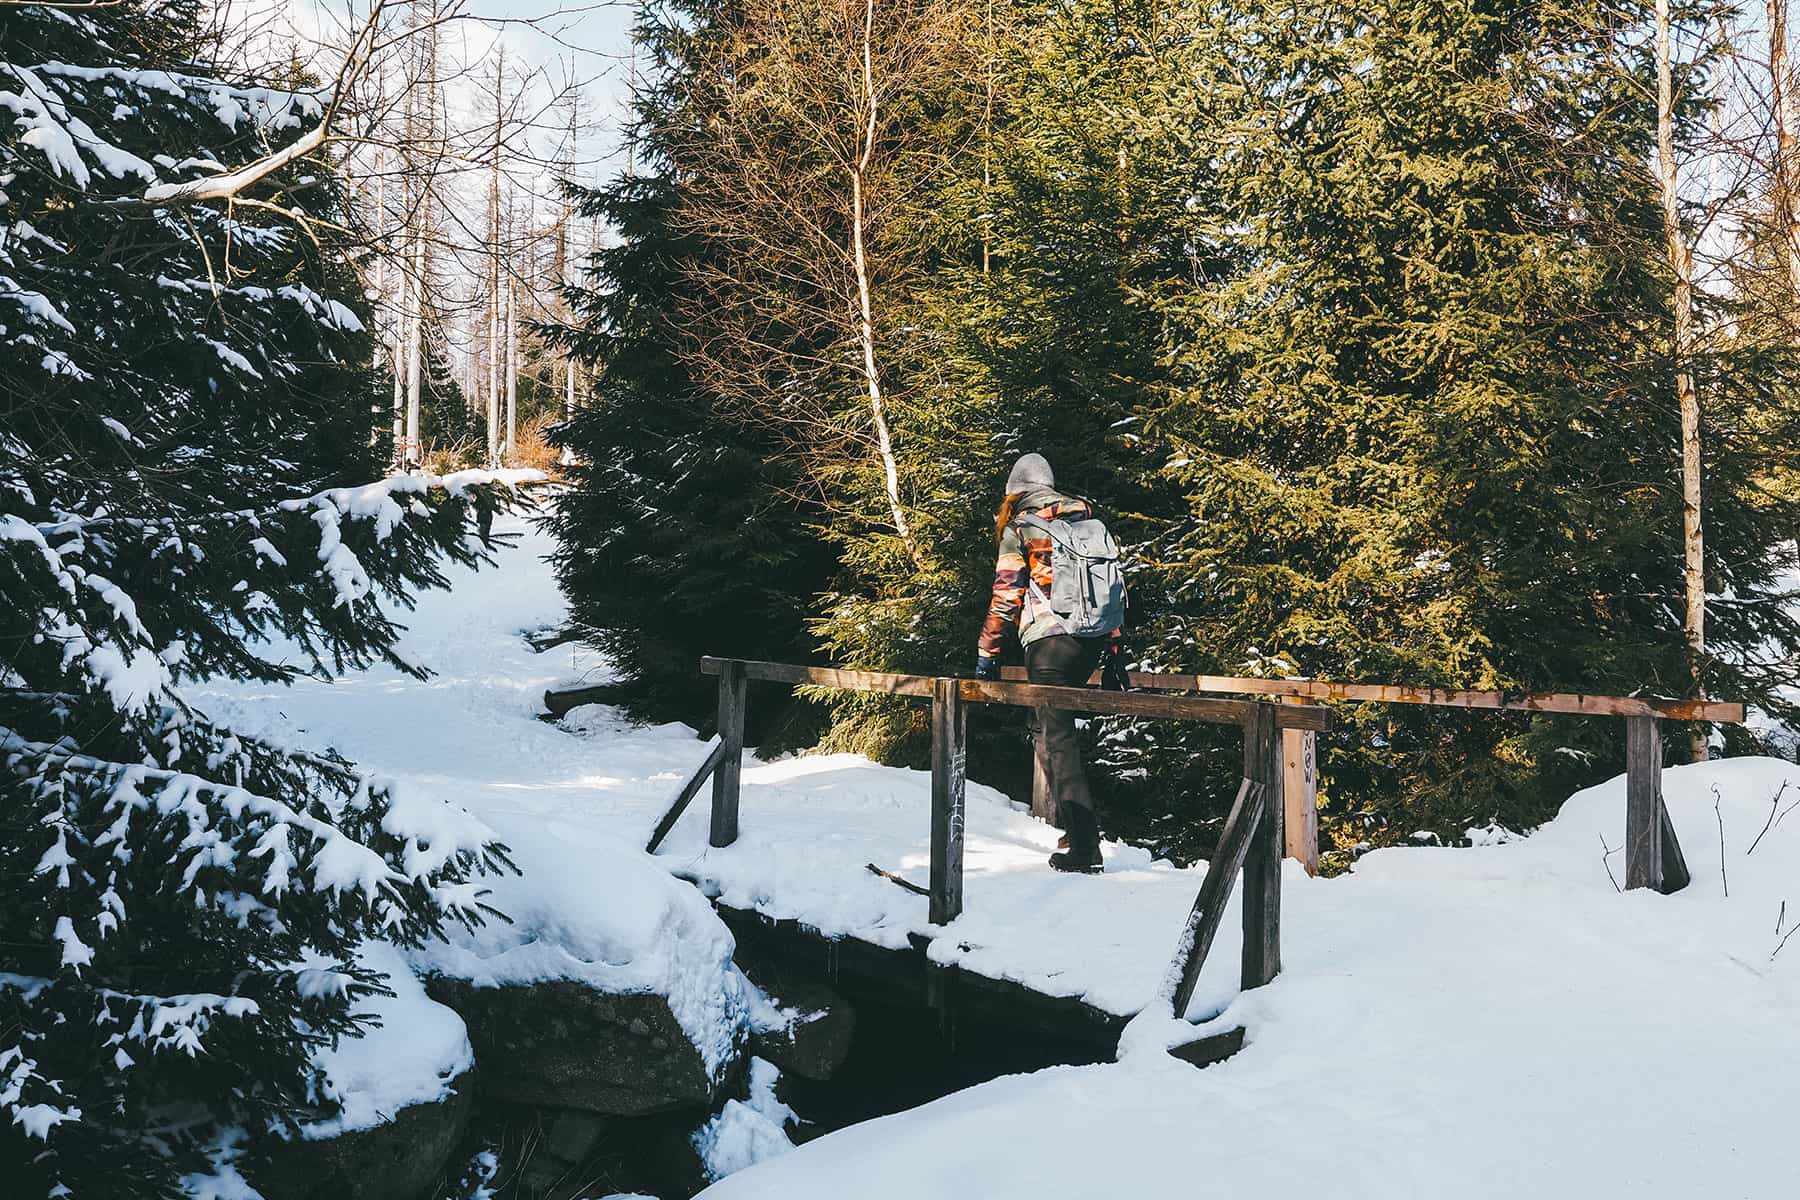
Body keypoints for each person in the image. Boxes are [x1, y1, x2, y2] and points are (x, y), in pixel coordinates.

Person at [975, 453, 1112, 873]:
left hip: (1048, 642)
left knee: (1056, 738)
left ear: (1016, 492)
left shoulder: (1022, 527)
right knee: (1047, 730)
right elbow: (1113, 587)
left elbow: (1006, 595)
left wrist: (987, 652)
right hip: (1090, 641)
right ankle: (1076, 825)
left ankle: (1086, 848)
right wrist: (1115, 648)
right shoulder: (1088, 522)